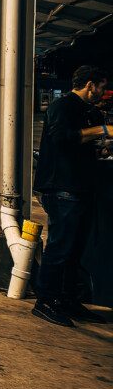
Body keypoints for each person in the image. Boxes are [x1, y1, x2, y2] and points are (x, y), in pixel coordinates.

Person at [32, 65, 111, 327]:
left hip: (81, 187)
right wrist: (103, 130)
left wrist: (100, 149)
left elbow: (80, 144)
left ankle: (68, 299)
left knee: (75, 249)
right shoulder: (62, 106)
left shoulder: (90, 111)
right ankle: (45, 300)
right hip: (63, 188)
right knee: (60, 248)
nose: (103, 93)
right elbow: (61, 138)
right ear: (90, 85)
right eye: (101, 87)